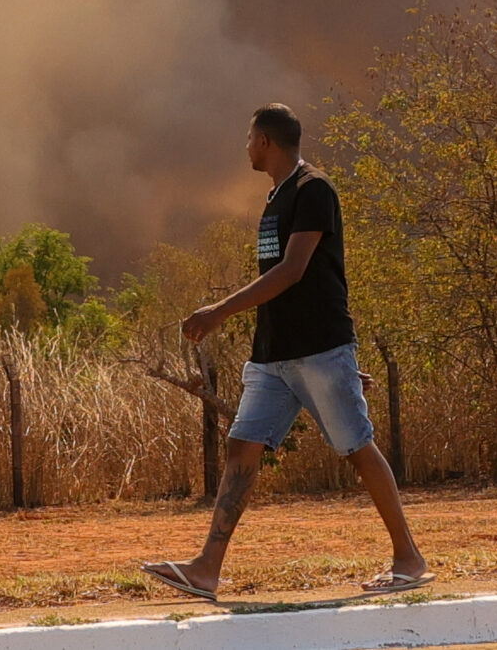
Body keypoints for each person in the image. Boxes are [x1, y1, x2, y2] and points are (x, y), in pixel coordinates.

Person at [142, 104, 429, 603]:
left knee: (357, 449)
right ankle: (207, 568)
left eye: (249, 138)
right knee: (242, 447)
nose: (246, 146)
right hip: (273, 357)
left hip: (317, 351)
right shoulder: (277, 197)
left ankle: (409, 559)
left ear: (266, 143)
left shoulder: (312, 189)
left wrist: (219, 311)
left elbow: (294, 271)